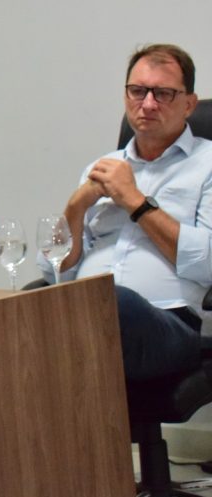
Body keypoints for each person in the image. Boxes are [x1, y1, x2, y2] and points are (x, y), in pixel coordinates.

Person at [42, 44, 212, 381]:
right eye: (138, 91)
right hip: (88, 314)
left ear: (189, 104)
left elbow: (208, 263)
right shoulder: (101, 167)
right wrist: (76, 207)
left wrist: (136, 201)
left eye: (163, 93)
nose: (147, 104)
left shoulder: (206, 164)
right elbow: (55, 271)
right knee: (20, 313)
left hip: (171, 322)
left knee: (111, 302)